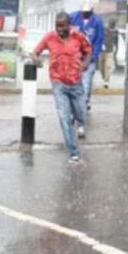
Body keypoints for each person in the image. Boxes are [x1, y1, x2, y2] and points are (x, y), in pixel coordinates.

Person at [33, 12, 92, 162]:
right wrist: (36, 59)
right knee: (64, 117)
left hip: (76, 82)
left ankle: (78, 121)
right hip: (58, 83)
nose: (59, 29)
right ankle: (73, 152)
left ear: (69, 25)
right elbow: (35, 52)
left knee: (81, 113)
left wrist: (85, 64)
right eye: (57, 26)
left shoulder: (78, 37)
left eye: (62, 26)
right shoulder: (49, 37)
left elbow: (88, 51)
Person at [70, 0, 105, 112]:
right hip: (74, 57)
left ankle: (84, 102)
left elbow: (99, 40)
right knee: (74, 81)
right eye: (83, 12)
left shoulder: (98, 22)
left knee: (87, 81)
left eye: (87, 13)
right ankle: (77, 102)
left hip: (89, 57)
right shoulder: (73, 17)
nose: (85, 15)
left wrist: (93, 56)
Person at [99, 19, 118, 89]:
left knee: (108, 66)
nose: (112, 26)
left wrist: (116, 51)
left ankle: (106, 81)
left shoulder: (115, 32)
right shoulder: (104, 30)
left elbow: (116, 42)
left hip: (110, 51)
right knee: (101, 66)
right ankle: (104, 77)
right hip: (102, 50)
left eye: (113, 24)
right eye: (111, 24)